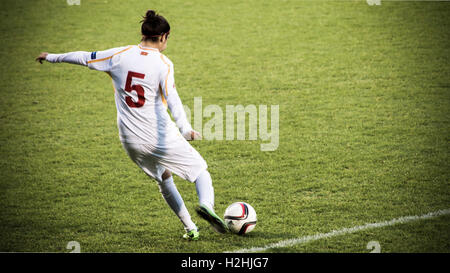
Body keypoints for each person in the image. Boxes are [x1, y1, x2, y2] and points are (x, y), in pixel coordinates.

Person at [35, 10, 228, 240]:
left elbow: (84, 57)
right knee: (200, 171)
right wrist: (186, 129)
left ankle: (190, 228)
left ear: (143, 34)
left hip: (130, 142)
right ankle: (207, 206)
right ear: (164, 36)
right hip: (159, 137)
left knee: (164, 177)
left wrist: (51, 56)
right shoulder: (163, 64)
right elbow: (173, 98)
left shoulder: (119, 55)